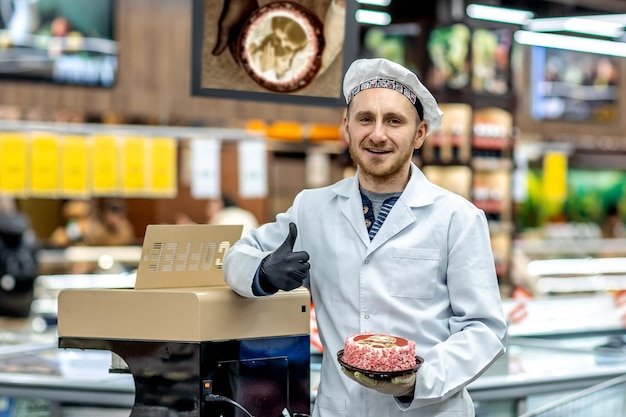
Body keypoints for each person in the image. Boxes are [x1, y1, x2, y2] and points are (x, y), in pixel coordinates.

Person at [223, 58, 507, 416]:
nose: (377, 134)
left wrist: (417, 379)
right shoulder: (311, 209)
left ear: (419, 133)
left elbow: (484, 329)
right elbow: (235, 256)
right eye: (365, 119)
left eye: (394, 121)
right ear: (346, 127)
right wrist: (262, 272)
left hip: (429, 408)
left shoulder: (458, 218)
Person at [175, 194, 259, 237]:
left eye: (209, 207)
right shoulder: (246, 214)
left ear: (220, 205)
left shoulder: (221, 216)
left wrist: (187, 226)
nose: (206, 211)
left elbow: (207, 238)